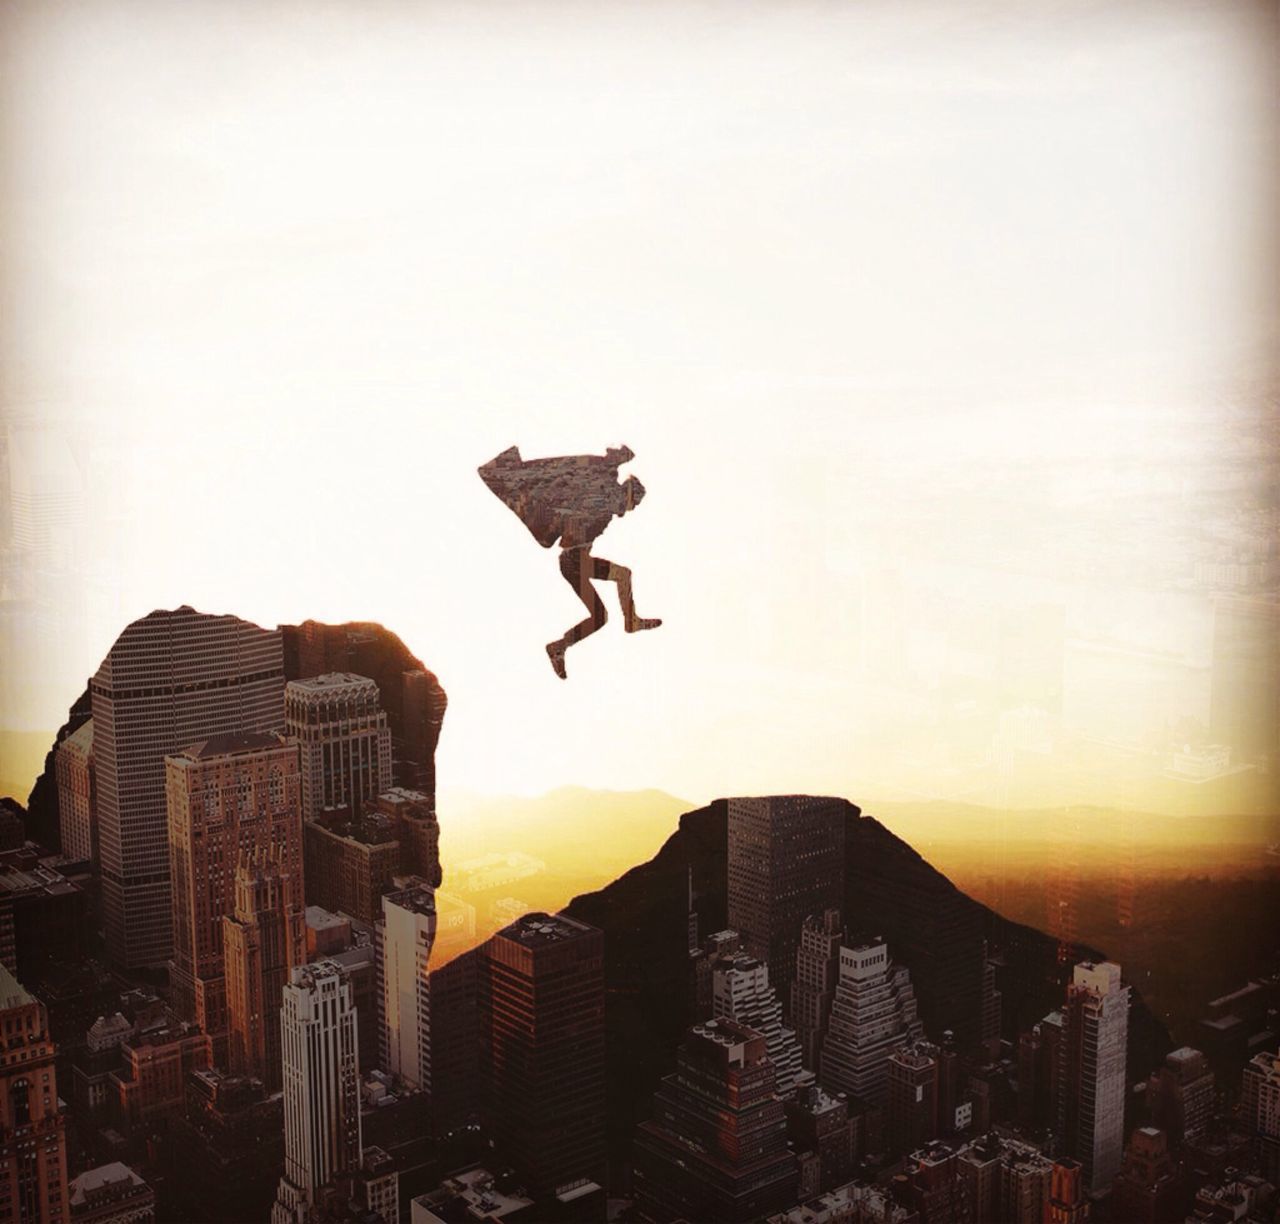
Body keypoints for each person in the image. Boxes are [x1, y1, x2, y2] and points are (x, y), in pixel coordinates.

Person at [478, 444, 662, 677]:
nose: (629, 510)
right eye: (632, 504)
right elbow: (596, 474)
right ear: (626, 495)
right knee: (620, 579)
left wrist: (617, 461)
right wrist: (616, 460)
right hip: (573, 561)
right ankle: (630, 622)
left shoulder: (605, 500)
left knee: (600, 615)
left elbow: (603, 471)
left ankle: (559, 647)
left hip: (575, 561)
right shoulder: (602, 496)